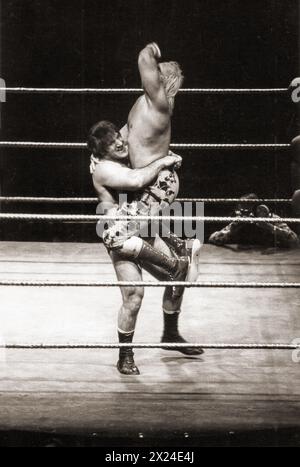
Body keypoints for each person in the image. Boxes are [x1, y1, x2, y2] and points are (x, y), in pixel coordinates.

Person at [88, 121, 202, 376]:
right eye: (110, 144)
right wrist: (164, 160)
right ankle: (125, 357)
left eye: (118, 137)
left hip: (144, 229)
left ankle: (170, 334)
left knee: (178, 280)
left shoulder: (124, 149)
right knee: (134, 296)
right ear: (101, 153)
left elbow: (135, 122)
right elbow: (137, 179)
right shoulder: (104, 168)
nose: (119, 143)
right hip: (120, 232)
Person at [209, 194, 299, 248]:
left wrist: (269, 227)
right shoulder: (239, 221)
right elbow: (212, 239)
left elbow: (295, 241)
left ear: (257, 210)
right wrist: (231, 230)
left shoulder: (271, 218)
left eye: (247, 211)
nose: (244, 215)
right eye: (241, 211)